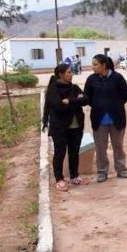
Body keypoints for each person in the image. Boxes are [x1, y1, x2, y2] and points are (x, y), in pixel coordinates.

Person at [84, 53, 127, 183]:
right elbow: (87, 96)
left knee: (118, 146)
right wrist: (98, 105)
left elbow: (126, 94)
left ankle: (121, 169)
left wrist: (116, 105)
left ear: (103, 65)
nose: (93, 67)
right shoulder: (91, 79)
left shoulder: (117, 78)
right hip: (99, 119)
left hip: (117, 118)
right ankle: (102, 172)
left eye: (95, 64)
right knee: (100, 148)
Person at [42, 63, 89, 191]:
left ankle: (74, 176)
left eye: (71, 72)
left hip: (76, 126)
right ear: (61, 74)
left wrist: (70, 101)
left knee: (74, 152)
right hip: (60, 128)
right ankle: (59, 179)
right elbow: (58, 106)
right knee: (60, 153)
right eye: (69, 72)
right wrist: (76, 100)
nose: (71, 74)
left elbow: (85, 100)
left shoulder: (74, 87)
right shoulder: (53, 89)